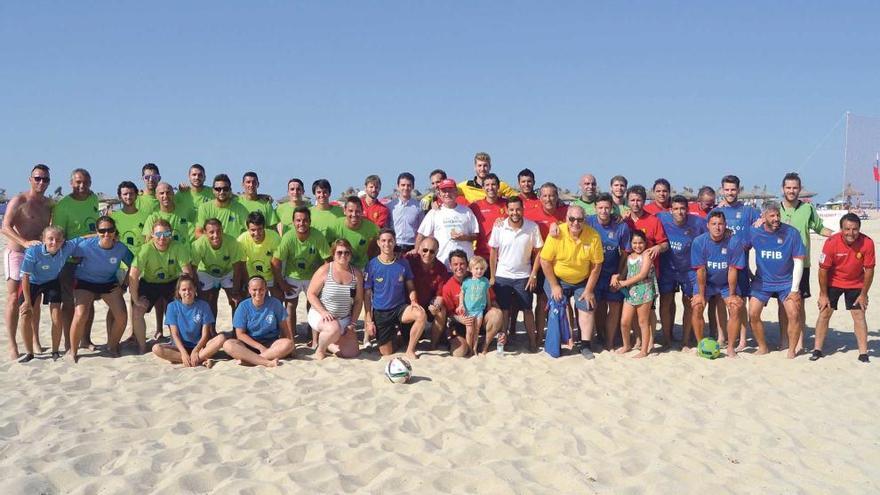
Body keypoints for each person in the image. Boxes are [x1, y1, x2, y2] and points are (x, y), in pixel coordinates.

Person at [539, 205, 604, 358]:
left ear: (585, 220)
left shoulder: (593, 236)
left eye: (580, 219)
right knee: (558, 304)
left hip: (582, 280)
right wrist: (554, 285)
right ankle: (562, 341)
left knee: (587, 305)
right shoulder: (556, 233)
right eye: (572, 219)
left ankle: (585, 345)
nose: (576, 223)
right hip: (558, 278)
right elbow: (545, 261)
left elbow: (596, 266)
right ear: (566, 219)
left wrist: (588, 290)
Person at [778, 172, 832, 353]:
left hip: (802, 263)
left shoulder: (808, 209)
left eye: (795, 188)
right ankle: (784, 338)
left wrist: (838, 234)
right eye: (788, 187)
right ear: (782, 189)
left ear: (800, 189)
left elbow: (819, 227)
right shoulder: (775, 209)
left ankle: (799, 340)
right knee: (782, 303)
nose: (791, 191)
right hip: (779, 264)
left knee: (798, 303)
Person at [3, 164, 53, 360]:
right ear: (30, 179)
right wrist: (24, 242)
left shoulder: (49, 204)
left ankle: (35, 341)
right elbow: (5, 227)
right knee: (14, 298)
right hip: (16, 254)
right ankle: (13, 345)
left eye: (45, 179)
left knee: (35, 300)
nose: (41, 182)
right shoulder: (19, 200)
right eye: (38, 178)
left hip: (36, 257)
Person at [68, 216, 132, 363]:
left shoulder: (121, 248)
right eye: (102, 230)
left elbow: (134, 265)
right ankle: (73, 351)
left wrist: (124, 285)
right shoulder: (85, 245)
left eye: (110, 230)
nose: (106, 234)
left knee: (122, 316)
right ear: (96, 232)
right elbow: (67, 249)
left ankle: (112, 346)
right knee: (80, 314)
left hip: (108, 282)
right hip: (85, 282)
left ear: (115, 231)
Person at [746, 202, 806, 358]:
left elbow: (799, 261)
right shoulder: (754, 232)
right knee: (753, 313)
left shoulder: (791, 233)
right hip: (762, 282)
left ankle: (791, 349)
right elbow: (740, 248)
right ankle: (763, 347)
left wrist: (794, 290)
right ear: (764, 216)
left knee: (793, 313)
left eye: (778, 215)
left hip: (786, 283)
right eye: (772, 215)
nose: (776, 218)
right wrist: (747, 270)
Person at [812, 213, 874, 362]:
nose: (851, 233)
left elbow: (870, 270)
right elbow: (823, 270)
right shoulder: (831, 242)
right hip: (833, 282)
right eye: (847, 229)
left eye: (855, 229)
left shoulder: (867, 242)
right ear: (841, 229)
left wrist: (864, 294)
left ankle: (863, 353)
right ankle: (817, 349)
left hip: (856, 283)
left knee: (859, 315)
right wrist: (823, 294)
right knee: (825, 313)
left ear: (859, 229)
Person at [52, 168, 100, 350]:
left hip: (91, 261)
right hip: (69, 262)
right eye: (78, 182)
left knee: (88, 301)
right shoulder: (63, 205)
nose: (82, 186)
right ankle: (68, 342)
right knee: (69, 302)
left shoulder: (94, 199)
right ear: (71, 183)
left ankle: (86, 339)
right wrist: (73, 253)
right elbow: (58, 237)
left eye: (86, 182)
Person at [711, 174, 761, 350]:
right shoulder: (717, 210)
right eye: (727, 189)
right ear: (722, 190)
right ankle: (721, 336)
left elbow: (763, 221)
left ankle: (741, 339)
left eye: (733, 190)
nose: (730, 193)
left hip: (741, 264)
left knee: (740, 301)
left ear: (739, 190)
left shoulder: (748, 211)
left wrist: (750, 241)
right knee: (720, 300)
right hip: (720, 264)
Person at [488, 196, 543, 352]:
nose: (515, 212)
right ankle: (502, 342)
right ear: (506, 210)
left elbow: (539, 252)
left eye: (518, 209)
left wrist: (533, 274)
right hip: (502, 275)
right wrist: (492, 276)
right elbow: (493, 252)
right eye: (511, 209)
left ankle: (532, 342)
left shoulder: (532, 227)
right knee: (504, 310)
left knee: (527, 309)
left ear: (523, 209)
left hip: (524, 276)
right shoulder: (499, 226)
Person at [130, 218, 194, 350]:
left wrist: (185, 295)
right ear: (152, 235)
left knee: (179, 309)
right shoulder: (145, 249)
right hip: (149, 283)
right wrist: (135, 299)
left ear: (171, 235)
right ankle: (142, 347)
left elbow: (187, 273)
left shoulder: (178, 247)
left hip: (171, 282)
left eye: (166, 234)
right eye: (158, 234)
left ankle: (176, 342)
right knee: (137, 311)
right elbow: (133, 275)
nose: (162, 238)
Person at [690, 211, 747, 357]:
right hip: (706, 282)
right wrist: (701, 296)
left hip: (725, 284)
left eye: (720, 224)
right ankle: (700, 344)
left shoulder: (734, 242)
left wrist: (732, 295)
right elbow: (701, 271)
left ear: (725, 225)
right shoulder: (699, 241)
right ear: (708, 225)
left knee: (735, 307)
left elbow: (733, 270)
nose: (717, 227)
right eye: (714, 224)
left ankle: (730, 347)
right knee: (697, 306)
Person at [363, 229, 426, 359]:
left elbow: (411, 287)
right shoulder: (372, 265)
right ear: (378, 243)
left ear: (395, 242)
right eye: (384, 241)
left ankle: (410, 350)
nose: (387, 244)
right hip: (381, 312)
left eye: (390, 240)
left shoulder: (403, 263)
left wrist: (413, 301)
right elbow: (367, 295)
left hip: (400, 308)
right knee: (386, 352)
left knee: (420, 314)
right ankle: (396, 335)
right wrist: (369, 321)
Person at [273, 206, 331, 343]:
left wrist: (322, 279)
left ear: (310, 221)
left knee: (313, 305)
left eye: (305, 220)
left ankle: (313, 336)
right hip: (293, 275)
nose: (301, 223)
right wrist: (282, 283)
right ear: (293, 222)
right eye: (298, 220)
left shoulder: (317, 235)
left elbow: (328, 260)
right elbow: (275, 262)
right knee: (291, 305)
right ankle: (291, 337)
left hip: (312, 275)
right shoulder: (288, 237)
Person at [18, 226, 76, 361]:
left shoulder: (66, 248)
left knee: (56, 315)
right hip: (32, 282)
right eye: (50, 239)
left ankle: (55, 351)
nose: (54, 243)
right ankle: (29, 353)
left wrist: (100, 233)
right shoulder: (33, 251)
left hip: (52, 281)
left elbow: (82, 239)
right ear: (43, 239)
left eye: (58, 239)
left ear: (63, 241)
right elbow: (25, 276)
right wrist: (27, 301)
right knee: (25, 314)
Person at [657, 195, 707, 348]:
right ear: (670, 210)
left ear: (688, 209)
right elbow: (640, 218)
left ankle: (686, 340)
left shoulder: (698, 222)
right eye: (676, 209)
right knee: (665, 302)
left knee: (689, 304)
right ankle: (666, 338)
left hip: (689, 270)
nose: (680, 212)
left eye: (683, 209)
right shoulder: (661, 218)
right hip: (668, 269)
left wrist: (727, 233)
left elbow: (714, 230)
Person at [585, 193, 631, 351]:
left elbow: (625, 253)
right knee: (595, 306)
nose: (604, 211)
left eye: (607, 208)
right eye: (600, 207)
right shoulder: (588, 221)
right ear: (595, 208)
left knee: (615, 306)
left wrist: (618, 274)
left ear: (612, 208)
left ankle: (610, 342)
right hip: (593, 273)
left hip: (613, 272)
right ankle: (596, 337)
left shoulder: (621, 226)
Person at [151, 274, 226, 367]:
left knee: (221, 338)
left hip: (200, 346)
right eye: (184, 290)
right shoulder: (172, 306)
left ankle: (194, 358)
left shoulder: (204, 305)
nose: (187, 292)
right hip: (180, 347)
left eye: (190, 289)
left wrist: (196, 350)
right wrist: (183, 352)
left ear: (195, 289)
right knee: (156, 348)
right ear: (178, 292)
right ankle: (198, 359)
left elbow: (205, 335)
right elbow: (174, 334)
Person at [306, 239, 363, 360]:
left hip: (344, 318)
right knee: (333, 328)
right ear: (333, 254)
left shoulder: (356, 274)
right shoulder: (324, 270)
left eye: (347, 252)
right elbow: (310, 294)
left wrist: (352, 322)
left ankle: (328, 344)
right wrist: (323, 312)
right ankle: (320, 350)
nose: (343, 255)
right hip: (321, 315)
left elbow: (358, 301)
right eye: (339, 252)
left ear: (351, 254)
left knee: (351, 353)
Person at [441, 249, 504, 357]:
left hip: (480, 317)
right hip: (461, 323)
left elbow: (492, 300)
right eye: (455, 264)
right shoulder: (448, 287)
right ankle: (463, 344)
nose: (459, 267)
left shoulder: (480, 278)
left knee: (497, 313)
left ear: (467, 265)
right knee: (459, 353)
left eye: (462, 264)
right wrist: (460, 319)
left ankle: (484, 345)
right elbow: (448, 314)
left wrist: (502, 330)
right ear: (450, 267)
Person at [525, 181, 568, 336]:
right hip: (538, 262)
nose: (548, 199)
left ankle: (561, 334)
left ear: (557, 197)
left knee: (560, 299)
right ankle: (540, 334)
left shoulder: (566, 212)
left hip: (561, 264)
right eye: (545, 196)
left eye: (551, 195)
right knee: (541, 300)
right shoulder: (530, 214)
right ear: (539, 197)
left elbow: (586, 219)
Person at [222, 276, 295, 367]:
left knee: (288, 344)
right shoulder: (243, 306)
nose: (258, 293)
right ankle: (267, 362)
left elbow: (284, 327)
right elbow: (240, 334)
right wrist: (259, 347)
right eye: (254, 290)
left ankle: (251, 361)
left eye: (261, 289)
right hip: (249, 345)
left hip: (271, 344)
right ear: (249, 290)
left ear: (266, 289)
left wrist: (290, 346)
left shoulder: (275, 303)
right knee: (228, 344)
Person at [416, 178, 479, 267]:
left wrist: (464, 237)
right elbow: (421, 235)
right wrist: (416, 253)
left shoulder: (467, 211)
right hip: (442, 264)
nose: (447, 194)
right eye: (444, 191)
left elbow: (476, 235)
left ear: (456, 192)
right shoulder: (434, 212)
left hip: (465, 266)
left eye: (450, 191)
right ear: (439, 194)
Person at [191, 218, 245, 317]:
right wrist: (197, 290)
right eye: (211, 232)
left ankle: (236, 330)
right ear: (205, 233)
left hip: (227, 271)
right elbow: (193, 269)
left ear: (222, 230)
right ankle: (211, 331)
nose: (215, 235)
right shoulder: (198, 244)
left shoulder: (232, 242)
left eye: (218, 231)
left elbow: (237, 269)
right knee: (207, 301)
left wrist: (235, 291)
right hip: (206, 271)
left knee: (235, 300)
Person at [615, 231, 657, 357]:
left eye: (640, 243)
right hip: (630, 292)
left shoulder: (647, 255)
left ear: (645, 243)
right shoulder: (629, 257)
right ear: (631, 243)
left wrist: (624, 283)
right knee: (624, 321)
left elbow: (642, 274)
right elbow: (623, 273)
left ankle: (644, 350)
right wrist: (617, 279)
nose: (637, 246)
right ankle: (626, 345)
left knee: (643, 321)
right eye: (634, 243)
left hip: (644, 290)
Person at [404, 237, 450, 349]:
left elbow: (440, 295)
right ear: (419, 249)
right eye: (425, 250)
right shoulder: (409, 260)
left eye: (432, 251)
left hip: (427, 305)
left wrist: (436, 305)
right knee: (403, 341)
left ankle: (433, 345)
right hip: (408, 305)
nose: (428, 254)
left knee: (441, 309)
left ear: (437, 252)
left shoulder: (441, 268)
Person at [327, 196, 380, 269]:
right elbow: (327, 250)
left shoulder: (372, 228)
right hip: (340, 268)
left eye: (357, 211)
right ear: (344, 211)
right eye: (351, 211)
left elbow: (379, 244)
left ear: (362, 211)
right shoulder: (334, 226)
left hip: (361, 268)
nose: (354, 214)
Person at [237, 211, 282, 296]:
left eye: (260, 229)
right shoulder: (241, 240)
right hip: (252, 275)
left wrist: (277, 284)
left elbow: (277, 263)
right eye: (253, 230)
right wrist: (247, 284)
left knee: (278, 297)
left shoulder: (274, 237)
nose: (256, 233)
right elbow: (241, 265)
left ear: (264, 227)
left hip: (271, 274)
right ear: (247, 228)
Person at [195, 174, 251, 238]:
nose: (222, 192)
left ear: (230, 190)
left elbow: (252, 230)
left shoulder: (240, 208)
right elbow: (198, 233)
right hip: (211, 246)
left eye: (225, 189)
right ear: (213, 190)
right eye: (218, 189)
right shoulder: (204, 208)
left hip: (232, 247)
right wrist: (214, 241)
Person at [469, 173, 508, 258]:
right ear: (483, 188)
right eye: (487, 185)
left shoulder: (507, 204)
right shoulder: (475, 206)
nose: (490, 188)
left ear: (498, 187)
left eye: (493, 184)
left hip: (503, 256)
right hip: (482, 256)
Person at [458, 256, 491, 354]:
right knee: (469, 331)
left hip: (479, 310)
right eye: (476, 269)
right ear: (471, 269)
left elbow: (487, 294)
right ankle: (468, 349)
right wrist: (461, 304)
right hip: (468, 310)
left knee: (476, 330)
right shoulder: (467, 281)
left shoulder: (485, 281)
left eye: (481, 269)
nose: (479, 271)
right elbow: (462, 293)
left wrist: (489, 305)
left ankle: (474, 348)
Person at [386, 172, 424, 253]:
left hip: (412, 247)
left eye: (408, 185)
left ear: (413, 187)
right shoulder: (390, 206)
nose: (406, 188)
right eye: (403, 185)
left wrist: (417, 249)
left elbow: (421, 230)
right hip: (394, 246)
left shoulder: (418, 207)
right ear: (398, 186)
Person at [111, 181, 150, 257]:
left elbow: (148, 242)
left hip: (140, 263)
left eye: (131, 194)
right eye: (125, 194)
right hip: (120, 265)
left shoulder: (146, 216)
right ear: (119, 196)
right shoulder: (113, 217)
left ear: (136, 195)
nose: (128, 197)